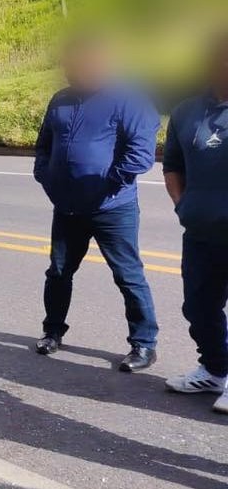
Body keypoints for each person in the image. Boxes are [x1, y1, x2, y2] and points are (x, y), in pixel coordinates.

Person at [32, 36, 160, 372]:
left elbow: (141, 154)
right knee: (58, 271)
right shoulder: (60, 99)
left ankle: (144, 345)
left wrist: (106, 184)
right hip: (67, 207)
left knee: (128, 275)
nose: (76, 69)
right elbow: (44, 144)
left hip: (112, 208)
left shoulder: (128, 99)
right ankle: (52, 332)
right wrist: (45, 176)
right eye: (71, 63)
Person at [163, 32, 228, 413]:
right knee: (198, 308)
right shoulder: (187, 111)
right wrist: (181, 203)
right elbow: (172, 164)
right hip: (201, 232)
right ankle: (215, 369)